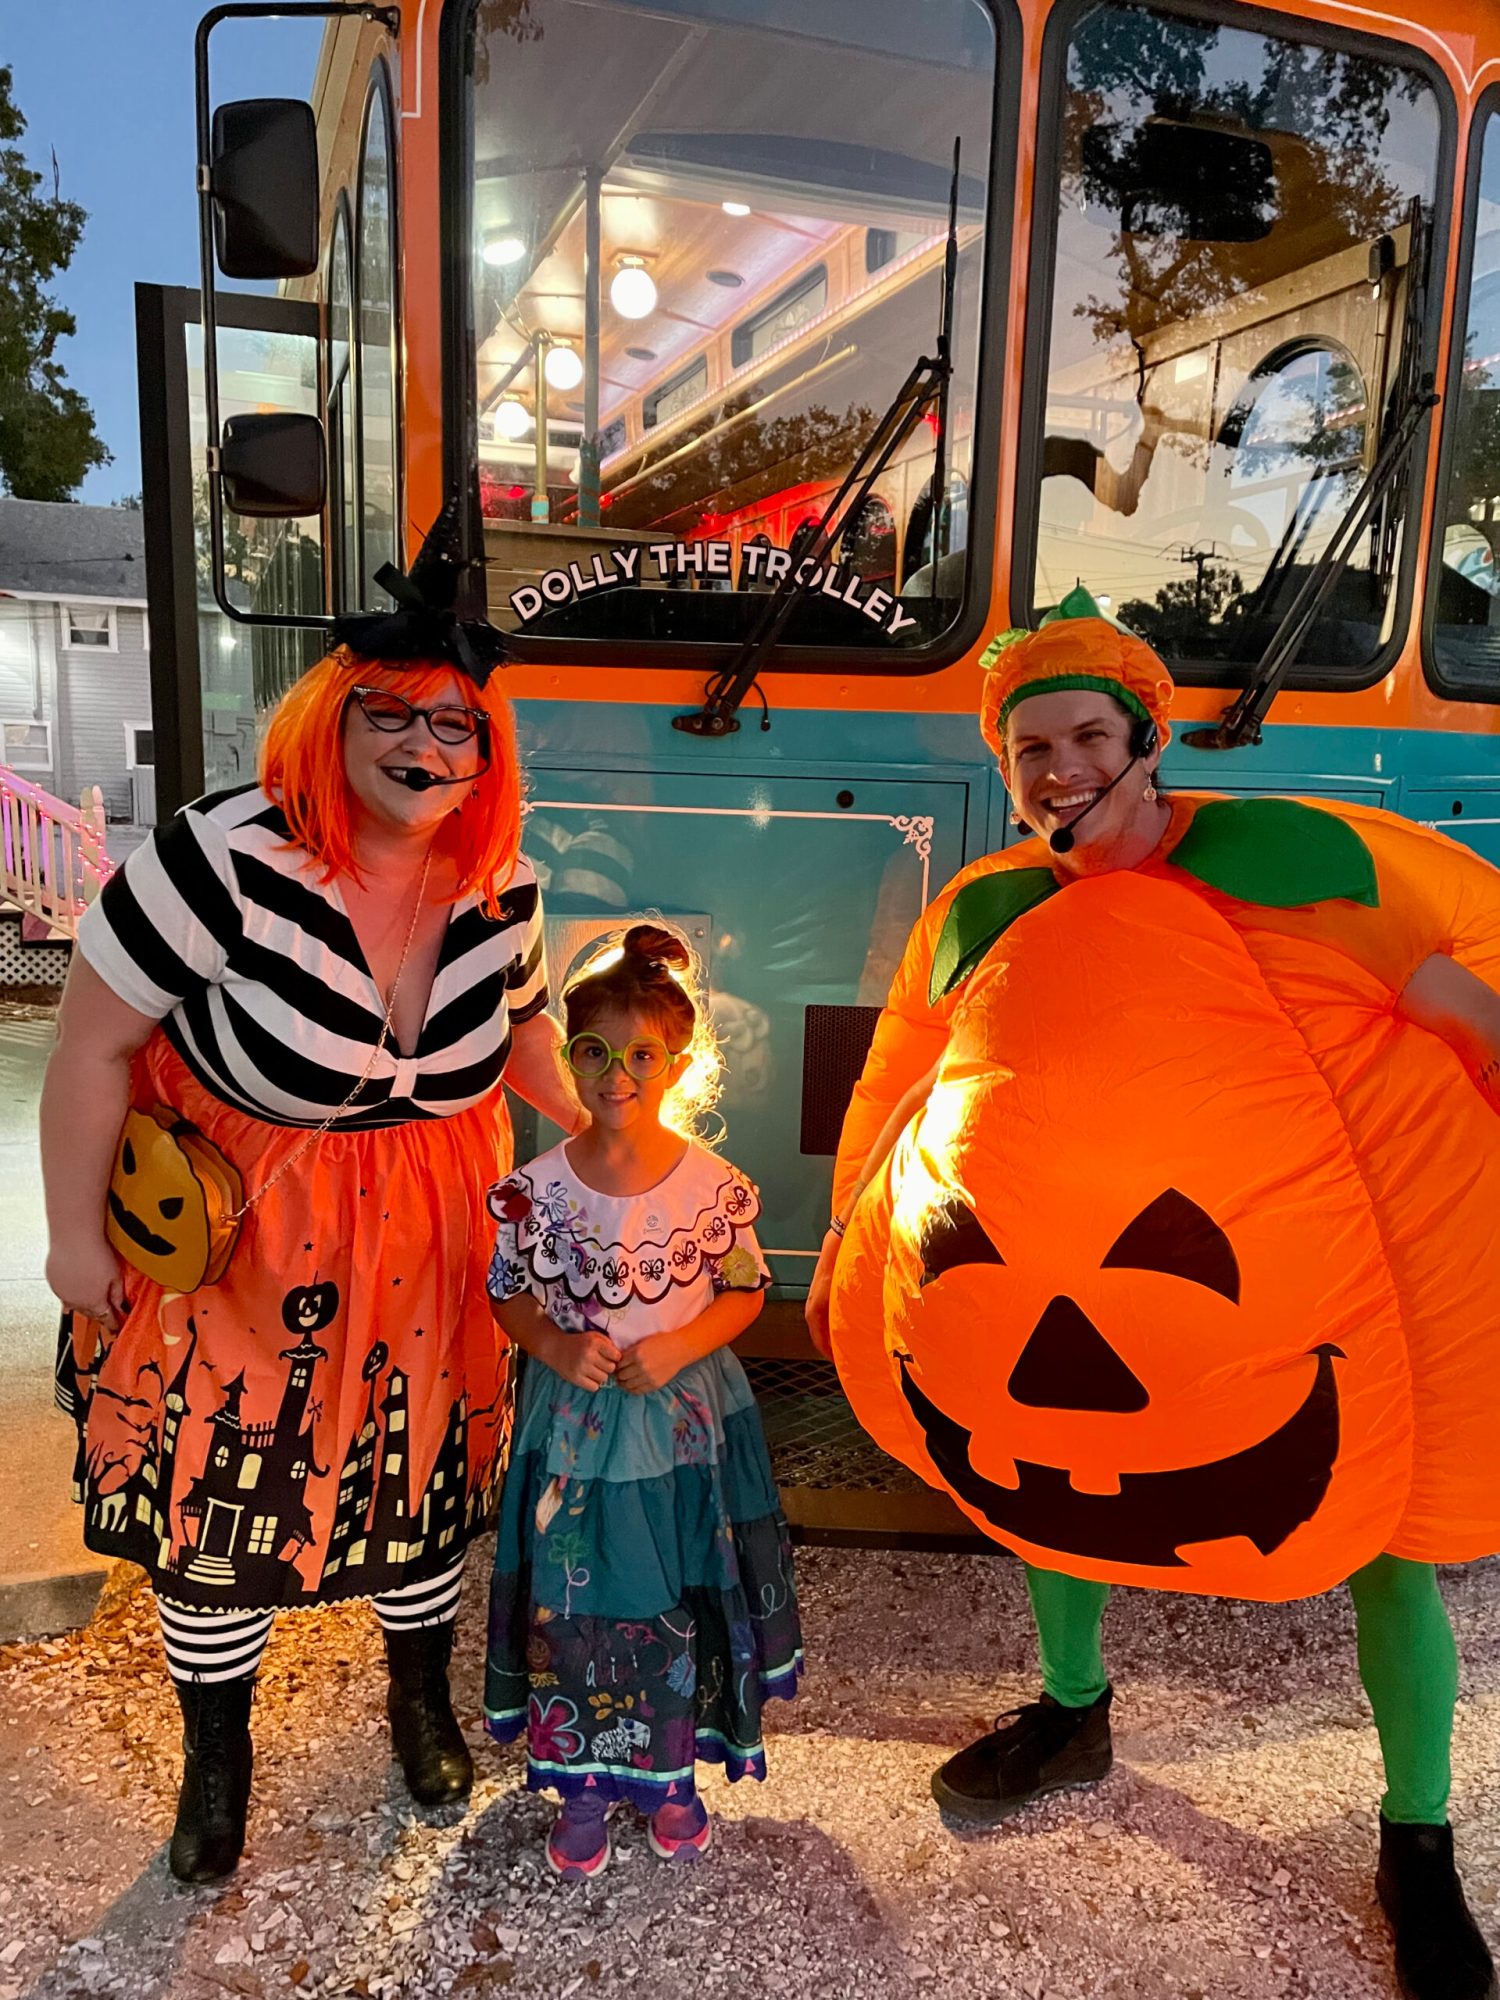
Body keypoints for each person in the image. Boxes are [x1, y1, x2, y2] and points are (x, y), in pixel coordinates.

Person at [809, 598, 1500, 2000]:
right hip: (1039, 1299)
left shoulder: (1298, 873)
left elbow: (1470, 1008)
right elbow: (903, 1083)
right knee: (1044, 1475)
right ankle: (1074, 1714)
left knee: (1385, 1528)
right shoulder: (986, 909)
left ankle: (1417, 1839)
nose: (1057, 769)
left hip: (1300, 1312)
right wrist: (855, 1244)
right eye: (1029, 750)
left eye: (1082, 738)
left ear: (1147, 741)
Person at [41, 508, 581, 1884]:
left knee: (418, 1479)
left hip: (438, 1232)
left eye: (458, 726)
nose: (426, 748)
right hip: (243, 1234)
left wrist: (610, 1130)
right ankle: (217, 1758)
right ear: (332, 724)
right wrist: (68, 1238)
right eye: (392, 716)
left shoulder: (502, 880)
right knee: (226, 1487)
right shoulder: (221, 855)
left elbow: (523, 1032)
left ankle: (419, 1704)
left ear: (489, 749)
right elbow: (93, 1046)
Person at [484, 924, 803, 1880]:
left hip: (683, 1431)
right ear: (569, 1058)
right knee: (573, 1593)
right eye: (593, 1052)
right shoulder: (531, 1192)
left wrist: (673, 1346)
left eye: (640, 1055)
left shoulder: (714, 1188)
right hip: (573, 1439)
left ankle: (673, 1777)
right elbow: (507, 1292)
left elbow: (746, 1290)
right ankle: (580, 1777)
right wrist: (549, 1340)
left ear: (677, 1061)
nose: (615, 1073)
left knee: (676, 1592)